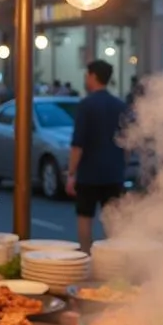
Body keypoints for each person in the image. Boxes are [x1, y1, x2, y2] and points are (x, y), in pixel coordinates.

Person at [66, 59, 128, 254]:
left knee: (85, 217)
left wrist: (71, 173)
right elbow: (127, 142)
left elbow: (78, 145)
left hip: (89, 173)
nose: (85, 78)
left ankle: (86, 255)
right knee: (113, 220)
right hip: (114, 172)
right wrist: (121, 166)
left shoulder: (86, 105)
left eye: (86, 75)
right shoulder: (120, 105)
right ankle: (113, 259)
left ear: (93, 76)